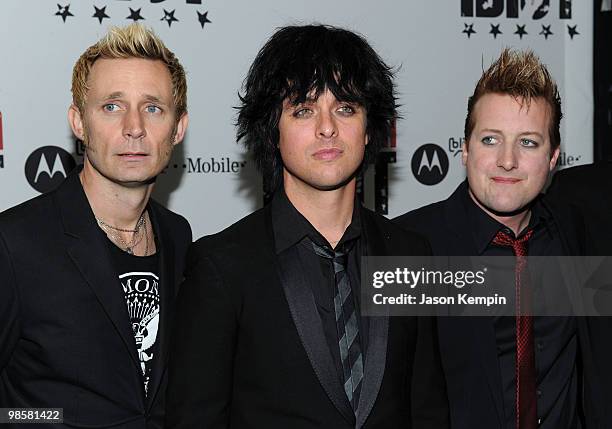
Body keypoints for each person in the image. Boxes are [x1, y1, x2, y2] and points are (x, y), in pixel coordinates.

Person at [167, 24, 448, 429]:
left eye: (346, 108)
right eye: (302, 109)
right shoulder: (222, 266)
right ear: (272, 131)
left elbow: (428, 411)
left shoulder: (411, 255)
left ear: (370, 129)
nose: (327, 127)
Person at [0, 24, 191, 428]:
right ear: (79, 123)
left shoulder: (178, 235)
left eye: (153, 107)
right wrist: (51, 420)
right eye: (112, 106)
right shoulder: (14, 243)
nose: (134, 127)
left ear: (178, 127)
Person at [395, 49, 594, 428]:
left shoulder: (578, 237)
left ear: (553, 158)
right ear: (465, 149)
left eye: (529, 143)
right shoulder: (409, 248)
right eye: (490, 140)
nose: (507, 160)